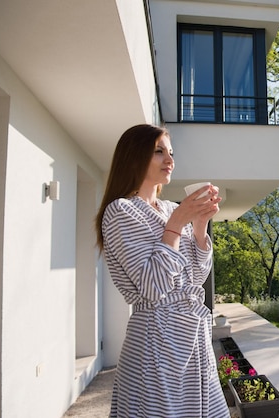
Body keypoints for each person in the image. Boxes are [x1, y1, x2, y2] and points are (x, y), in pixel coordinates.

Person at [95, 124, 229, 417]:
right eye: (158, 152)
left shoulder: (170, 208)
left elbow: (195, 277)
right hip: (156, 340)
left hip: (192, 340)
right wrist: (177, 224)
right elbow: (153, 287)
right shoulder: (121, 211)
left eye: (171, 152)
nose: (170, 159)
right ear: (133, 157)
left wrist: (199, 225)